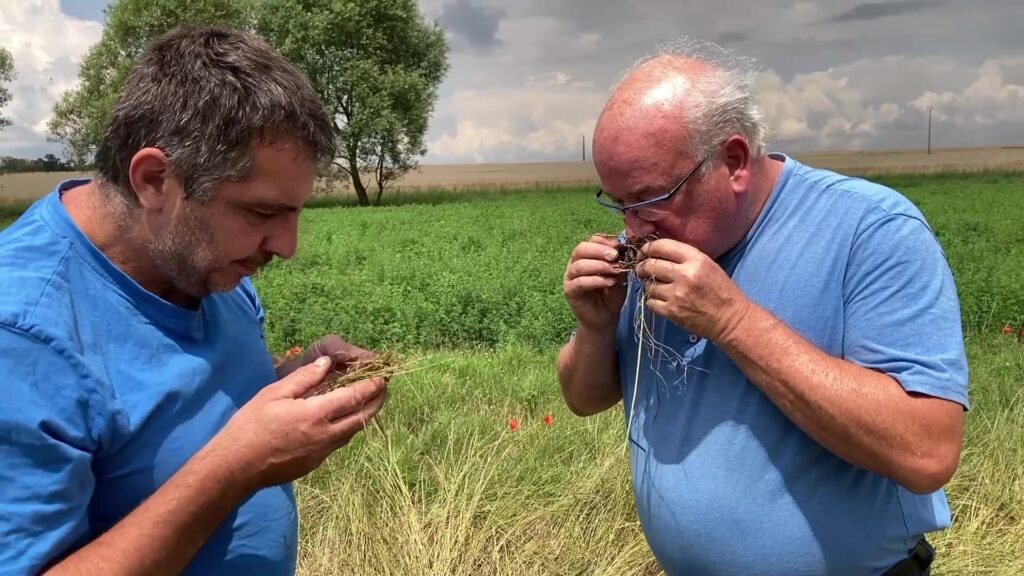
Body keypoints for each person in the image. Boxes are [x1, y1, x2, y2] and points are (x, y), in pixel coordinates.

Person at [557, 38, 968, 576]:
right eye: (618, 202)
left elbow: (927, 451)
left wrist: (731, 320)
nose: (633, 226)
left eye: (651, 197)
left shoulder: (871, 230)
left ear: (733, 161)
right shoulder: (657, 244)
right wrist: (595, 327)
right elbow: (584, 399)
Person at [0, 26, 388, 575]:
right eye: (260, 213)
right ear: (155, 180)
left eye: (294, 213)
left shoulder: (204, 267)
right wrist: (238, 464)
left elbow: (175, 411)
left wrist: (292, 381)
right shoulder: (21, 335)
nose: (287, 247)